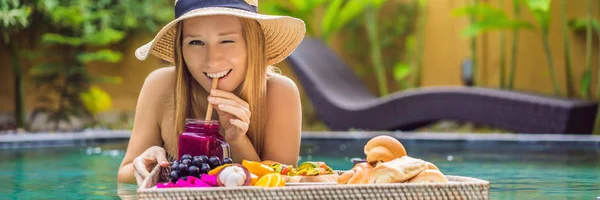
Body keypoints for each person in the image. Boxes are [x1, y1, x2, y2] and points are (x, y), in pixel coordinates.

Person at [117, 0, 306, 184]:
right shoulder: (160, 85)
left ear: (253, 43)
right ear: (180, 48)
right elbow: (124, 175)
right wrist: (146, 166)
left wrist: (238, 140)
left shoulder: (280, 93)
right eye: (196, 42)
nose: (212, 60)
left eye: (227, 40)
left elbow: (281, 185)